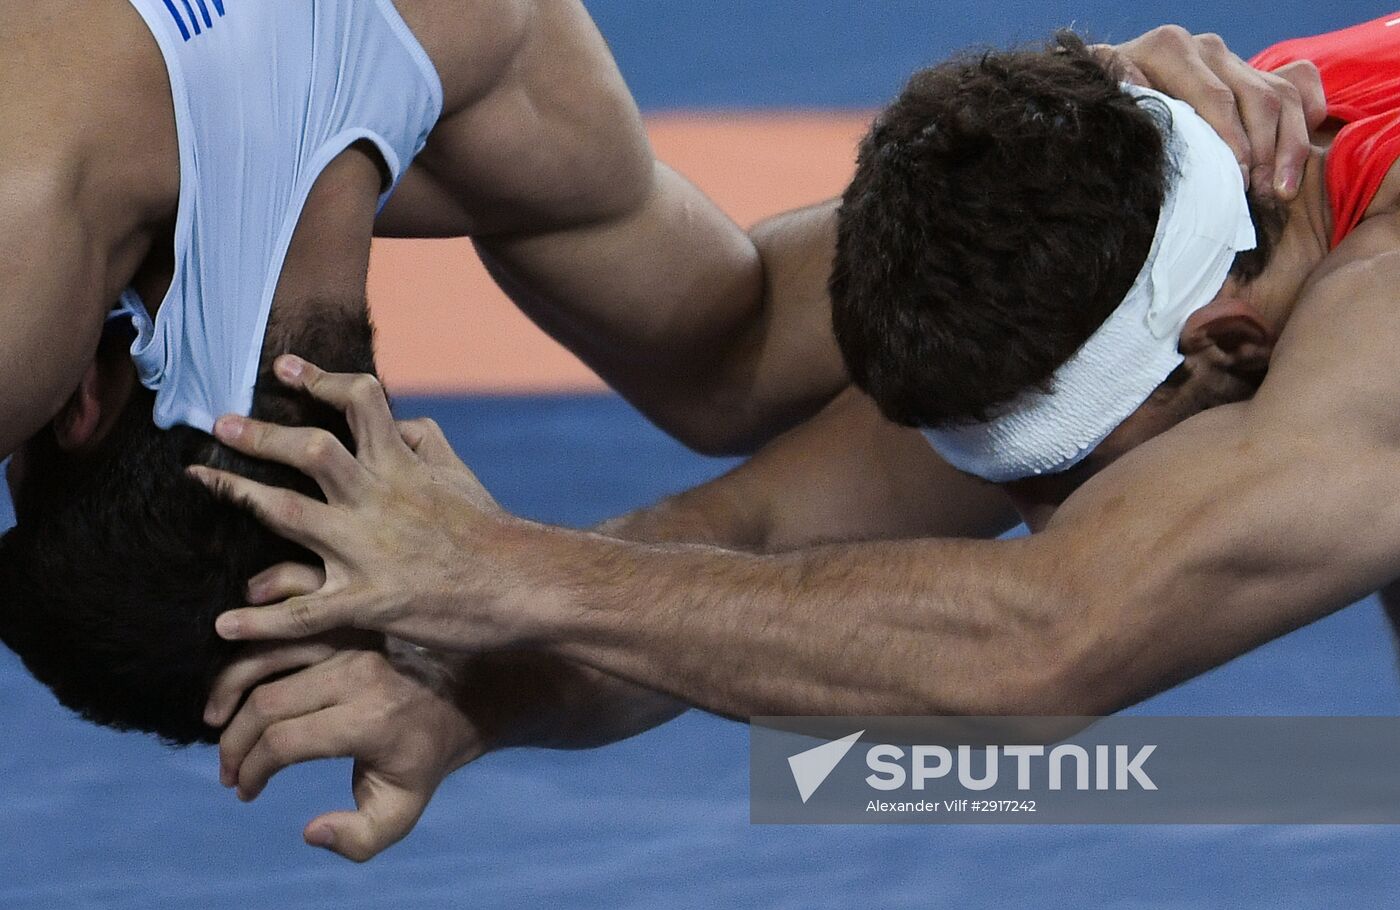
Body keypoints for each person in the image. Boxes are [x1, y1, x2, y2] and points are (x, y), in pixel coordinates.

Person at [0, 0, 1318, 857]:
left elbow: (1049, 640)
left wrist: (504, 576)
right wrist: (1094, 132)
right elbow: (731, 373)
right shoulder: (484, 77)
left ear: (67, 396)